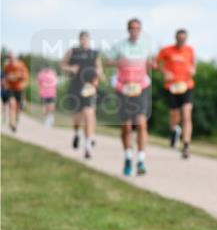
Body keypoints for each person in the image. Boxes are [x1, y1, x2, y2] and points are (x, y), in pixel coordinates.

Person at [107, 18, 156, 175]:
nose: (134, 31)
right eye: (131, 28)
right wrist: (119, 62)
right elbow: (108, 61)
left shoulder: (146, 46)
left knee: (141, 123)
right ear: (128, 29)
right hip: (124, 88)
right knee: (127, 127)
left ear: (140, 30)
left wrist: (152, 65)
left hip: (141, 87)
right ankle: (128, 157)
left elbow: (151, 63)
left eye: (137, 28)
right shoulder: (120, 46)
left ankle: (141, 160)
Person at [61, 31, 104, 159]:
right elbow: (62, 64)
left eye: (86, 39)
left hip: (89, 87)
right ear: (79, 40)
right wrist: (70, 68)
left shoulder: (94, 54)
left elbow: (99, 68)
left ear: (89, 40)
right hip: (75, 86)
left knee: (89, 114)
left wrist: (100, 74)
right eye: (82, 39)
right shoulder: (72, 51)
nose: (84, 41)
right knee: (78, 117)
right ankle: (76, 133)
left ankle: (88, 146)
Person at [156, 28, 197, 159]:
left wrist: (193, 70)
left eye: (183, 38)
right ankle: (174, 130)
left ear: (186, 39)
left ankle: (186, 146)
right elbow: (156, 64)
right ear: (175, 38)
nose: (181, 40)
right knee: (174, 114)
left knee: (186, 114)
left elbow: (193, 66)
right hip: (172, 86)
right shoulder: (167, 50)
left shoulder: (190, 50)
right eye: (179, 38)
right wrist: (165, 72)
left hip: (187, 86)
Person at [2, 52, 29, 133]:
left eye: (12, 57)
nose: (10, 59)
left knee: (17, 108)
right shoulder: (7, 66)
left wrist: (15, 77)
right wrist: (5, 82)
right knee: (11, 104)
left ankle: (15, 120)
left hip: (19, 89)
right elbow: (5, 76)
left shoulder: (21, 65)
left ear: (14, 57)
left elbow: (24, 77)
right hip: (10, 89)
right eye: (9, 58)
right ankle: (12, 124)